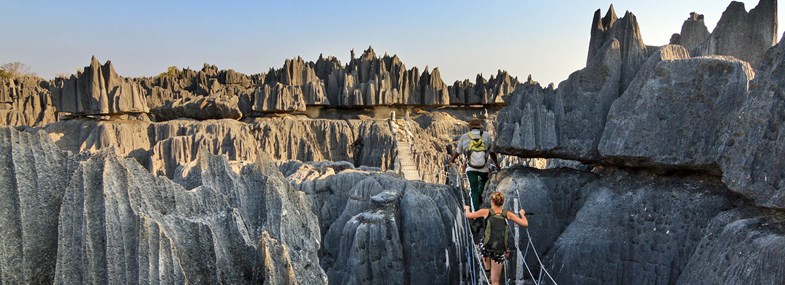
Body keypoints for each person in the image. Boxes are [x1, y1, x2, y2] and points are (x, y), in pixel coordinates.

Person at [464, 192, 528, 285]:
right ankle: (490, 272)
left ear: (491, 201)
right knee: (495, 281)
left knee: (481, 245)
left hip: (487, 247)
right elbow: (525, 224)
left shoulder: (486, 212)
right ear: (502, 202)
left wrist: (467, 208)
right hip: (500, 250)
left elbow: (468, 215)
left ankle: (487, 269)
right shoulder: (507, 214)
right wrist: (522, 214)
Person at [449, 118, 499, 212]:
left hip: (470, 168)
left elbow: (458, 152)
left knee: (473, 190)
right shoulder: (486, 135)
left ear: (470, 128)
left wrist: (451, 160)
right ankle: (480, 195)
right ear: (480, 127)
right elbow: (492, 152)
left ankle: (476, 213)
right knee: (484, 180)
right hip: (484, 168)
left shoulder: (464, 137)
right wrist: (496, 164)